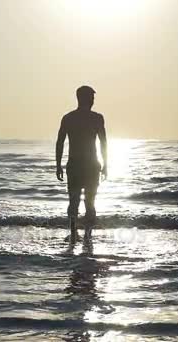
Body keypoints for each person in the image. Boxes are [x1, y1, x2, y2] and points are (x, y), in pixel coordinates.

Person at [55, 85, 108, 244]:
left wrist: (58, 164)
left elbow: (60, 142)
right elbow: (104, 143)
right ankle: (86, 235)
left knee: (74, 200)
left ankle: (75, 234)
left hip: (77, 165)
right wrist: (106, 164)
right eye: (91, 98)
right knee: (89, 202)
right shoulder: (96, 118)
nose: (93, 101)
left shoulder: (68, 118)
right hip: (90, 166)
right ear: (84, 98)